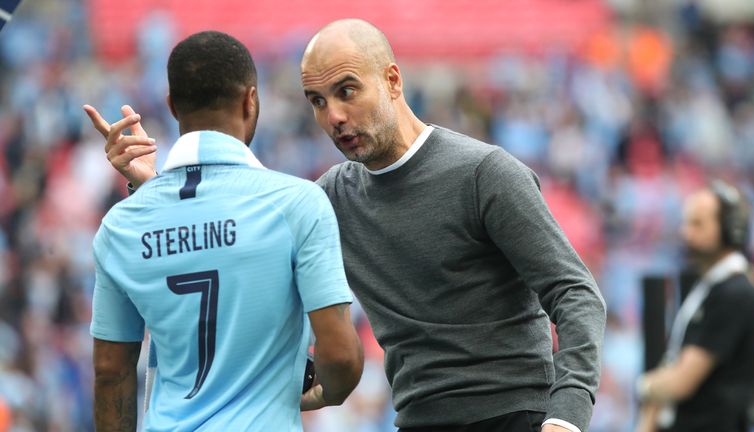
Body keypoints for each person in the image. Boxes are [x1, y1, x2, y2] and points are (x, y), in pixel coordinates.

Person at [88, 19, 606, 432]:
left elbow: (576, 294)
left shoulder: (484, 174)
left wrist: (566, 416)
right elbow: (226, 241)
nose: (332, 115)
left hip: (515, 415)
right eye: (317, 101)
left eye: (346, 91)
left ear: (393, 80)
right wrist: (150, 187)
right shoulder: (329, 195)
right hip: (418, 419)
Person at [85, 31, 362, 432]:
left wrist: (151, 190)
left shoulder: (122, 225)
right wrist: (326, 393)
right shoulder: (297, 203)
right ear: (251, 100)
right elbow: (340, 357)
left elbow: (110, 372)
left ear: (172, 107)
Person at [635, 181, 754, 432]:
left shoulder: (735, 293)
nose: (686, 233)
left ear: (731, 230)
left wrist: (645, 386)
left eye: (698, 224)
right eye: (686, 223)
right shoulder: (716, 285)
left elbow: (683, 381)